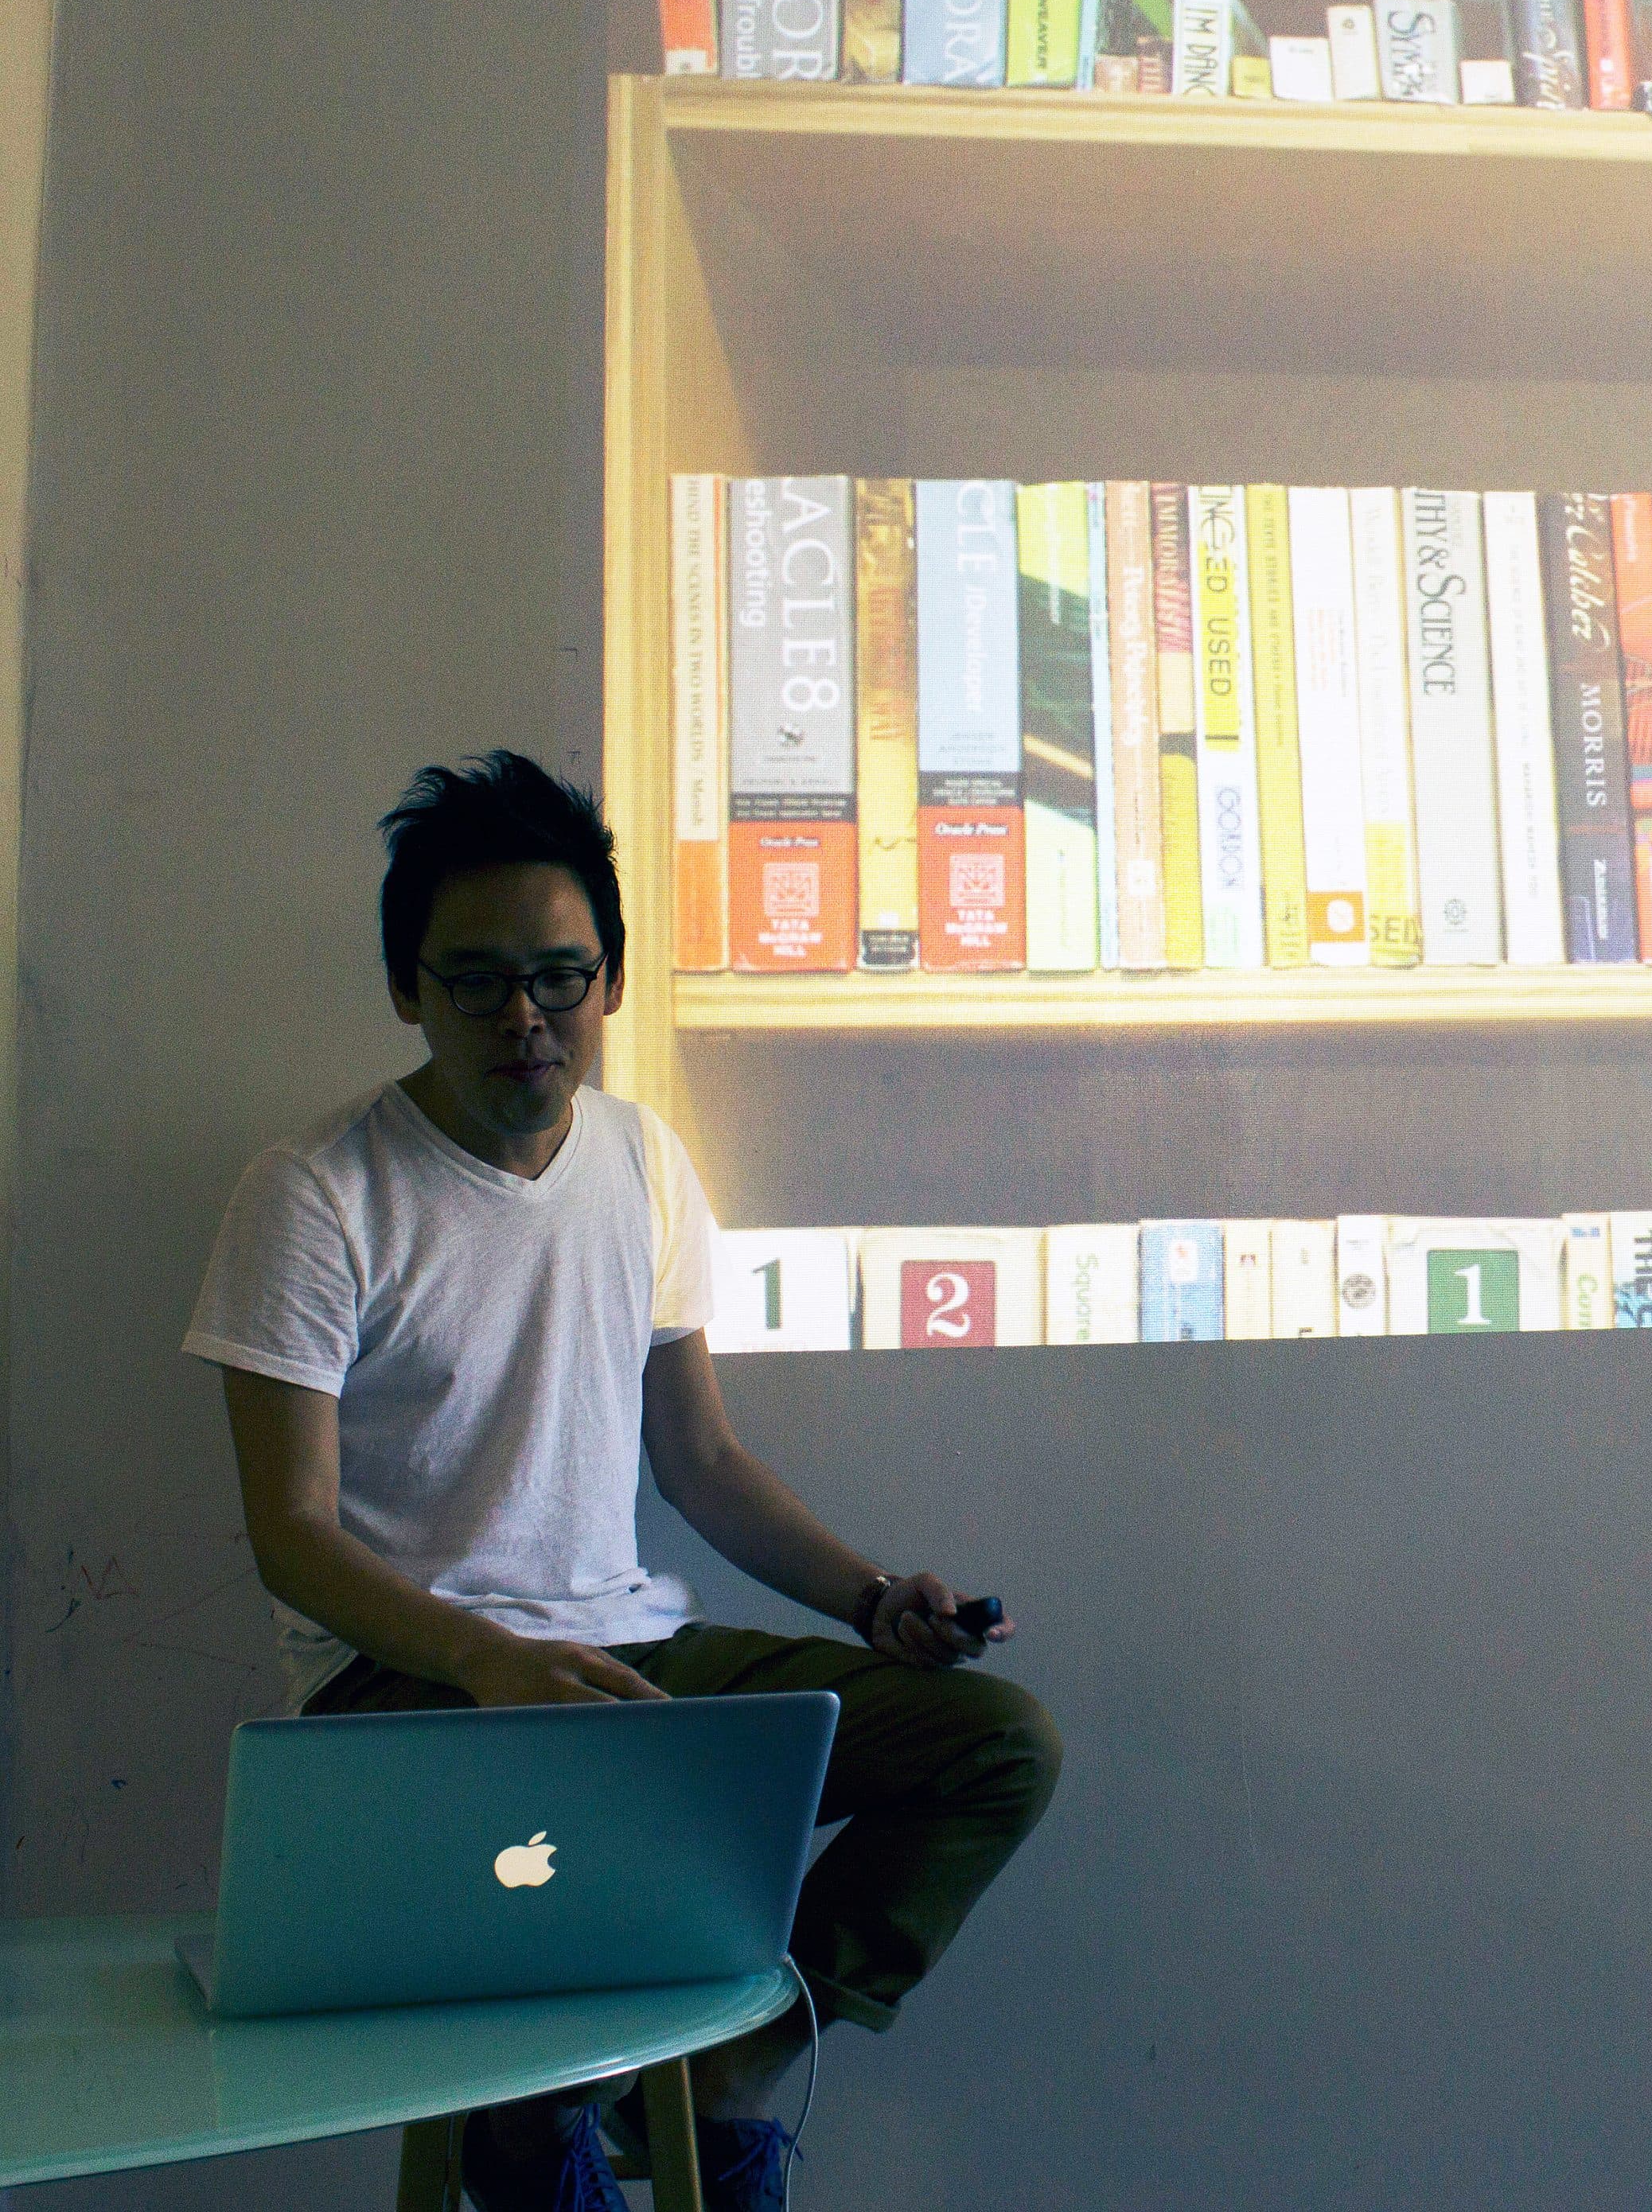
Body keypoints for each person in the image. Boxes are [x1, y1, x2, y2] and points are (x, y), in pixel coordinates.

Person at [185, 750, 1061, 2212]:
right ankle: (537, 2138)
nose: (524, 1017)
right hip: (407, 1690)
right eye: (476, 981)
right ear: (409, 989)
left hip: (626, 1659)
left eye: (559, 976)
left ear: (612, 980)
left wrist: (869, 1598)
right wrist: (492, 1662)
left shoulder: (643, 1161)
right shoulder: (316, 1192)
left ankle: (715, 2082)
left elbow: (701, 1460)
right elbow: (293, 1534)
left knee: (997, 1746)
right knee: (583, 1870)